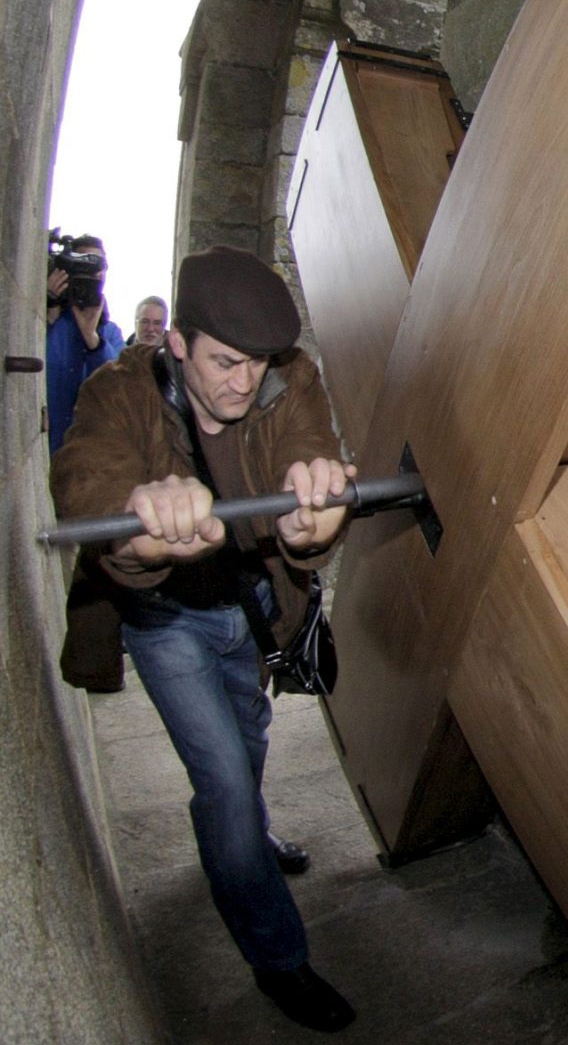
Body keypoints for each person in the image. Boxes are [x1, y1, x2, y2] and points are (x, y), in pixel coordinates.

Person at [52, 246, 358, 1033]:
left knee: (250, 741)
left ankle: (245, 841)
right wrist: (142, 516)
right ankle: (279, 959)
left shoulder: (291, 378)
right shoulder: (117, 392)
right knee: (222, 776)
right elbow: (85, 481)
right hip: (167, 625)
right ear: (179, 342)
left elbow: (304, 450)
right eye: (224, 361)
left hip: (253, 609)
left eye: (256, 364)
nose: (242, 382)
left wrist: (312, 515)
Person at [45, 233, 124, 450]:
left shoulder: (111, 333)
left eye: (96, 266)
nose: (91, 273)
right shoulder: (47, 320)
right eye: (82, 264)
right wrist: (49, 311)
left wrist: (93, 339)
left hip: (87, 458)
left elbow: (119, 386)